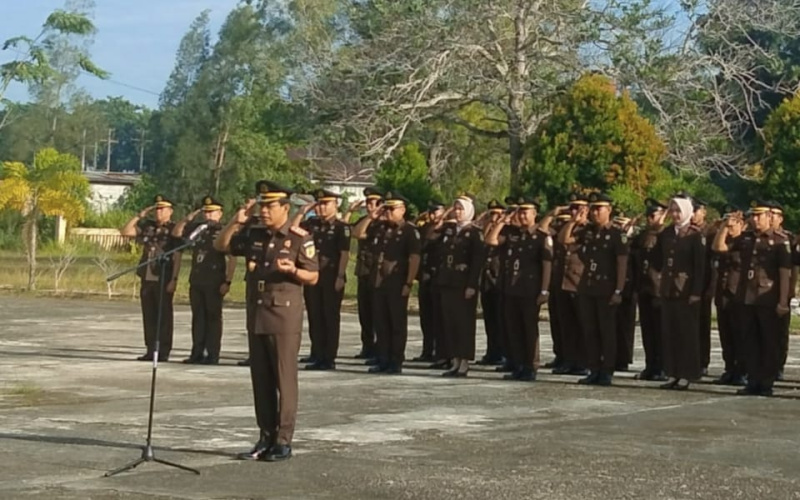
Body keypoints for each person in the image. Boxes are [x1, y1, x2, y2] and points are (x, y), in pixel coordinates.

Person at [215, 181, 319, 462]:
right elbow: (221, 245)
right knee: (260, 379)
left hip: (284, 317)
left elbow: (313, 276)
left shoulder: (299, 238)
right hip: (258, 313)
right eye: (262, 205)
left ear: (285, 208)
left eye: (270, 206)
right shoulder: (254, 234)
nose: (264, 211)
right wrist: (233, 223)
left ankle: (283, 440)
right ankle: (265, 436)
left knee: (284, 380)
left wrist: (294, 271)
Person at [713, 200, 791, 397]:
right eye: (753, 216)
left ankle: (766, 382)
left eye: (759, 216)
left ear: (768, 217)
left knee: (768, 342)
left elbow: (784, 274)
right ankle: (753, 380)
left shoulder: (780, 241)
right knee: (750, 342)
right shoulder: (745, 238)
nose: (755, 220)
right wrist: (725, 227)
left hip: (768, 299)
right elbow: (720, 248)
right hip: (745, 298)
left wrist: (783, 301)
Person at [560, 192, 628, 386]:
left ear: (609, 210)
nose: (595, 212)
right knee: (590, 331)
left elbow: (621, 264)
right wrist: (573, 221)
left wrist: (618, 290)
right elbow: (564, 240)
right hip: (587, 287)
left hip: (606, 289)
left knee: (606, 332)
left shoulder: (616, 234)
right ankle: (594, 369)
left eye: (599, 208)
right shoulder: (587, 231)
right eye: (593, 208)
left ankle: (607, 370)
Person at [352, 191, 421, 374]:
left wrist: (408, 283)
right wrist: (371, 216)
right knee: (381, 323)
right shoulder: (380, 227)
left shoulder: (409, 231)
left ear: (403, 210)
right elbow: (357, 234)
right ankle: (383, 359)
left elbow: (414, 258)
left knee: (396, 324)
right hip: (378, 282)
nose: (388, 212)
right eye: (386, 208)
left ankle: (396, 361)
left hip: (396, 284)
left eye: (392, 208)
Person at [486, 196, 552, 381]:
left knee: (529, 330)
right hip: (511, 289)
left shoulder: (541, 237)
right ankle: (519, 364)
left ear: (534, 214)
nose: (522, 215)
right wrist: (501, 222)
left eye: (525, 212)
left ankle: (531, 366)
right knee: (513, 329)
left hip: (530, 291)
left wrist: (544, 290)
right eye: (519, 211)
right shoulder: (513, 235)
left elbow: (546, 266)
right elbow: (491, 240)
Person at [172, 196, 237, 365]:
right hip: (197, 280)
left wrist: (228, 281)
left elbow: (232, 258)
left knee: (213, 318)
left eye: (211, 212)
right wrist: (190, 217)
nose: (208, 215)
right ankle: (197, 352)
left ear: (220, 214)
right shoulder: (197, 230)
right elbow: (177, 234)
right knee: (198, 318)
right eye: (205, 212)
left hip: (215, 281)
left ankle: (213, 353)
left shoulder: (223, 231)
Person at [651, 196, 706, 390]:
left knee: (687, 335)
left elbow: (700, 267)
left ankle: (688, 373)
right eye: (672, 211)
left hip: (686, 290)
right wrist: (655, 230)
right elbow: (656, 260)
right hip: (668, 289)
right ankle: (673, 372)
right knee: (670, 333)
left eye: (678, 211)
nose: (675, 215)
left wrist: (696, 292)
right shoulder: (666, 233)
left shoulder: (695, 235)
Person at [292, 189, 351, 370]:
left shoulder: (342, 227)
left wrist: (340, 276)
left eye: (326, 203)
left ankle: (328, 357)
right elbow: (292, 230)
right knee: (315, 315)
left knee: (330, 317)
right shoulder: (312, 224)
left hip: (331, 276)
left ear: (335, 205)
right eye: (319, 203)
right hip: (313, 275)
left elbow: (344, 253)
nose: (322, 207)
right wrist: (302, 212)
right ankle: (316, 352)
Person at [428, 194, 485, 377]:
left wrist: (472, 285)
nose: (458, 212)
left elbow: (477, 261)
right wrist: (445, 217)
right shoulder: (449, 229)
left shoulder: (475, 233)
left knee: (463, 323)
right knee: (449, 322)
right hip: (447, 281)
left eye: (461, 209)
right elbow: (431, 237)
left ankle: (464, 361)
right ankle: (453, 360)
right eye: (456, 208)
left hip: (463, 284)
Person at [120, 195, 182, 362]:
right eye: (157, 209)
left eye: (162, 209)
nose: (158, 212)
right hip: (147, 277)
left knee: (164, 316)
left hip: (163, 276)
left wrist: (174, 279)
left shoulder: (174, 230)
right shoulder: (148, 227)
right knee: (149, 315)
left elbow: (177, 256)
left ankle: (163, 350)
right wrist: (139, 216)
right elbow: (126, 231)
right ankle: (150, 349)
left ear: (170, 211)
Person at [552, 193, 590, 376]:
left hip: (579, 283)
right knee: (566, 325)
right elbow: (562, 239)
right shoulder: (568, 227)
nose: (576, 211)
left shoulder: (589, 230)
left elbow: (566, 241)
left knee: (582, 324)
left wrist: (578, 222)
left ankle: (583, 361)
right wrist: (571, 221)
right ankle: (569, 360)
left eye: (580, 208)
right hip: (564, 282)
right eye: (573, 208)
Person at [631, 198, 668, 381]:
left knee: (660, 331)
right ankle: (650, 365)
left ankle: (662, 367)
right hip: (644, 287)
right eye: (648, 216)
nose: (649, 219)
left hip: (659, 289)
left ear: (663, 216)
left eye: (653, 215)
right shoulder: (644, 235)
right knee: (647, 331)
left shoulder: (666, 235)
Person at [347, 187, 384, 360]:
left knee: (378, 314)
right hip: (363, 272)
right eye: (368, 203)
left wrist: (375, 217)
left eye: (374, 203)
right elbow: (356, 233)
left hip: (377, 274)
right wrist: (369, 217)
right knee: (365, 313)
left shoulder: (384, 224)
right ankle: (367, 346)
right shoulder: (365, 221)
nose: (370, 206)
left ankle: (379, 347)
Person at [711, 205, 747, 386]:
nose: (731, 227)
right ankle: (730, 368)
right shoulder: (725, 238)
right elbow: (717, 247)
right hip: (723, 293)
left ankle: (742, 370)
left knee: (740, 334)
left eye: (734, 223)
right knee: (725, 334)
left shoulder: (745, 242)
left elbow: (722, 249)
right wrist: (723, 227)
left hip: (738, 294)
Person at [415, 200, 446, 364]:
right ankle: (427, 350)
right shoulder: (424, 229)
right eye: (431, 212)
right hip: (425, 276)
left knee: (438, 317)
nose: (433, 215)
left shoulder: (446, 230)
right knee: (425, 317)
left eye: (437, 212)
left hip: (438, 277)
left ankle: (439, 352)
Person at [477, 199, 506, 366]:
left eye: (497, 213)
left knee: (500, 320)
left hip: (499, 280)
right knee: (490, 321)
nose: (494, 217)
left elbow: (492, 241)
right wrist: (486, 221)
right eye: (491, 213)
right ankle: (492, 351)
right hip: (487, 281)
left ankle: (502, 352)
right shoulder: (487, 228)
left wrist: (500, 223)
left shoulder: (505, 231)